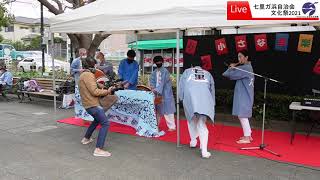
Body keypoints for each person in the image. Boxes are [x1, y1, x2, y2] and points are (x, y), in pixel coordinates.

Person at [79, 56, 115, 157]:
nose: (96, 67)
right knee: (105, 123)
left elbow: (93, 86)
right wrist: (107, 91)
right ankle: (98, 149)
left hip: (88, 104)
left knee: (97, 120)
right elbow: (94, 91)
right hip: (92, 104)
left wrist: (103, 86)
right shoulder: (88, 75)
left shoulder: (83, 75)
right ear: (92, 65)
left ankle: (86, 138)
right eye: (95, 65)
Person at [179, 61, 215, 158]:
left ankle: (193, 141)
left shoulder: (187, 72)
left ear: (192, 65)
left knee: (191, 119)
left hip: (190, 99)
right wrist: (212, 104)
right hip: (205, 100)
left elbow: (181, 86)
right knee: (201, 123)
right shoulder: (208, 74)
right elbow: (212, 89)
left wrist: (180, 98)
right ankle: (204, 150)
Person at [222, 50, 254, 144]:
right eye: (238, 57)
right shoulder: (247, 67)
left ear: (246, 57)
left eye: (240, 56)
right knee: (243, 116)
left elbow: (226, 74)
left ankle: (247, 137)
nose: (239, 59)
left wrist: (232, 67)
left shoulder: (244, 68)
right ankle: (248, 135)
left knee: (242, 116)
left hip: (244, 96)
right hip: (246, 95)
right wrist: (234, 66)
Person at [149, 56, 176, 131]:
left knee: (168, 110)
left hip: (165, 93)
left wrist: (156, 89)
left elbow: (163, 82)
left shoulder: (165, 71)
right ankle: (156, 125)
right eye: (157, 62)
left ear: (162, 62)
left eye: (159, 61)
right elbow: (152, 81)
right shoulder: (154, 72)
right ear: (154, 63)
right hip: (157, 94)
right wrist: (152, 87)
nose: (158, 63)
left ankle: (172, 127)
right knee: (158, 110)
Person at [70, 48, 94, 121]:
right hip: (79, 82)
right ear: (79, 53)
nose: (84, 55)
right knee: (79, 99)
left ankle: (87, 115)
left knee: (87, 99)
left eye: (85, 54)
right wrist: (79, 70)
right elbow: (71, 70)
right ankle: (79, 114)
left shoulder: (88, 60)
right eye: (83, 54)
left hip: (87, 82)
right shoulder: (76, 61)